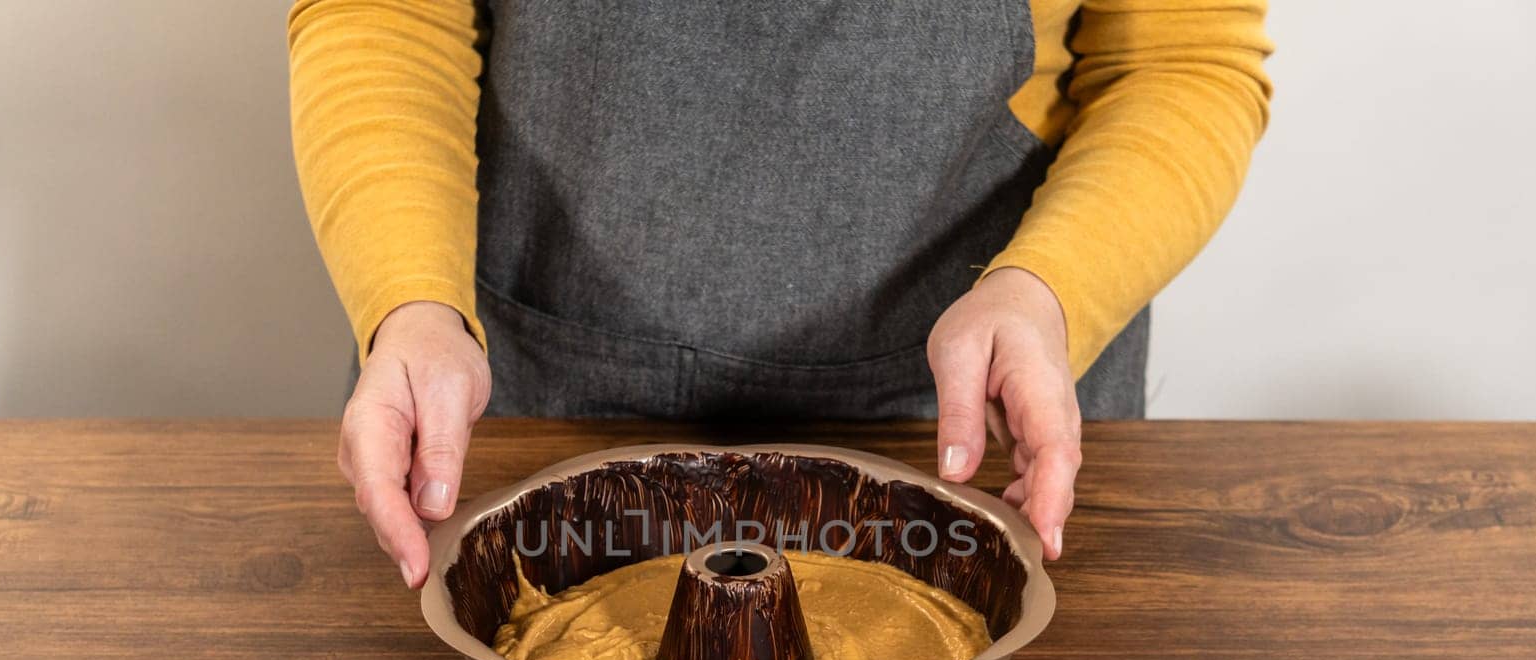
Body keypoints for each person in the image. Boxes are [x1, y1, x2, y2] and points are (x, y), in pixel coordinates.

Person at [289, 1, 1272, 588]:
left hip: (971, 421)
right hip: (519, 406)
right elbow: (388, 13)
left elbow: (1175, 60)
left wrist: (1044, 292)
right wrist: (410, 299)